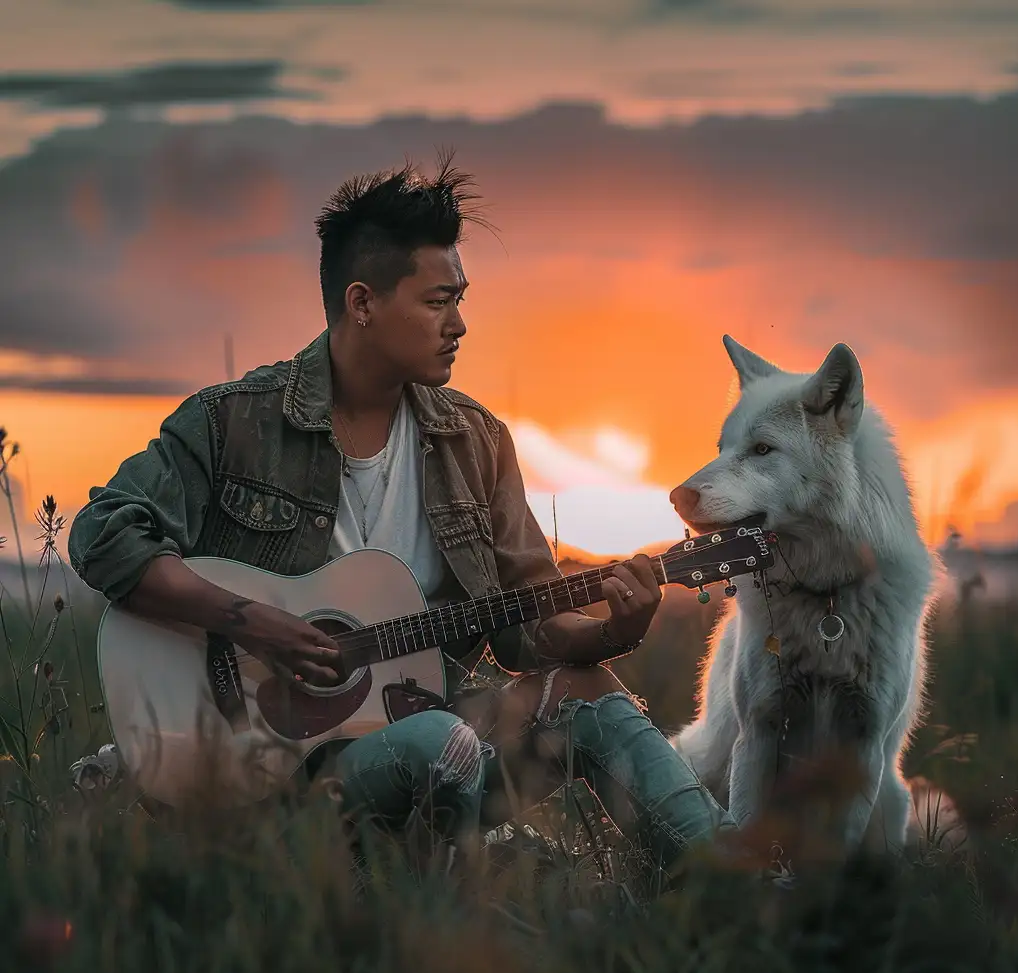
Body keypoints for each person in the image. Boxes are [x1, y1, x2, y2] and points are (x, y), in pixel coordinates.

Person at [67, 157, 722, 874]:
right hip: (279, 776)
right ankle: (457, 917)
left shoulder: (476, 442)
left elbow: (526, 627)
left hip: (436, 730)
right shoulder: (233, 423)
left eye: (460, 300)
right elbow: (103, 535)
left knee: (587, 698)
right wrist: (249, 621)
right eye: (438, 301)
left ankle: (739, 884)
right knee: (441, 742)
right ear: (362, 303)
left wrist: (614, 629)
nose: (460, 324)